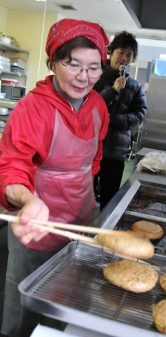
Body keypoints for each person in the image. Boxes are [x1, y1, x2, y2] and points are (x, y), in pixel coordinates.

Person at [0, 18, 110, 337]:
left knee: (67, 300)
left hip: (79, 220)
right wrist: (29, 200)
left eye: (93, 67)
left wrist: (87, 200)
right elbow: (11, 168)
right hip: (38, 224)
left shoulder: (98, 106)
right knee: (26, 302)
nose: (84, 77)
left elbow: (94, 159)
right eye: (73, 64)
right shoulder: (33, 109)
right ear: (53, 61)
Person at [94, 31, 147, 210]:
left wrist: (110, 119)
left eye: (129, 55)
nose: (124, 58)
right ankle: (77, 235)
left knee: (109, 200)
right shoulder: (95, 76)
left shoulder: (135, 86)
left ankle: (102, 236)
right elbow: (88, 107)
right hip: (90, 149)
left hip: (116, 153)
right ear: (111, 52)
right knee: (82, 198)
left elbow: (139, 116)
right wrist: (113, 90)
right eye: (121, 52)